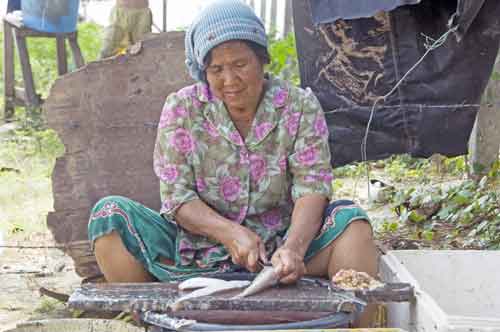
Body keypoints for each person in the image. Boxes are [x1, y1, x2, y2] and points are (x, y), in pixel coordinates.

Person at [88, 0, 378, 326]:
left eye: (240, 64)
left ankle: (350, 326)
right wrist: (229, 234)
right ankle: (153, 323)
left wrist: (294, 249)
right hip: (196, 251)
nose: (230, 79)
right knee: (109, 216)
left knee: (353, 226)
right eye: (216, 69)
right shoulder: (182, 108)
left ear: (262, 60)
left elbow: (312, 186)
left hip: (279, 252)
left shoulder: (298, 105)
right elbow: (176, 197)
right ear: (203, 72)